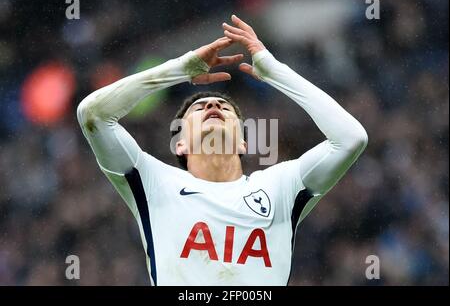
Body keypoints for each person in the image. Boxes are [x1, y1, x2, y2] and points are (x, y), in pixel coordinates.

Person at [77, 15, 368, 285]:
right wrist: (181, 68)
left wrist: (274, 71)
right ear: (180, 142)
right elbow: (93, 114)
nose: (213, 106)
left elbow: (351, 138)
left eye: (225, 108)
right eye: (198, 107)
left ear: (243, 141)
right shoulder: (154, 183)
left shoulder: (279, 186)